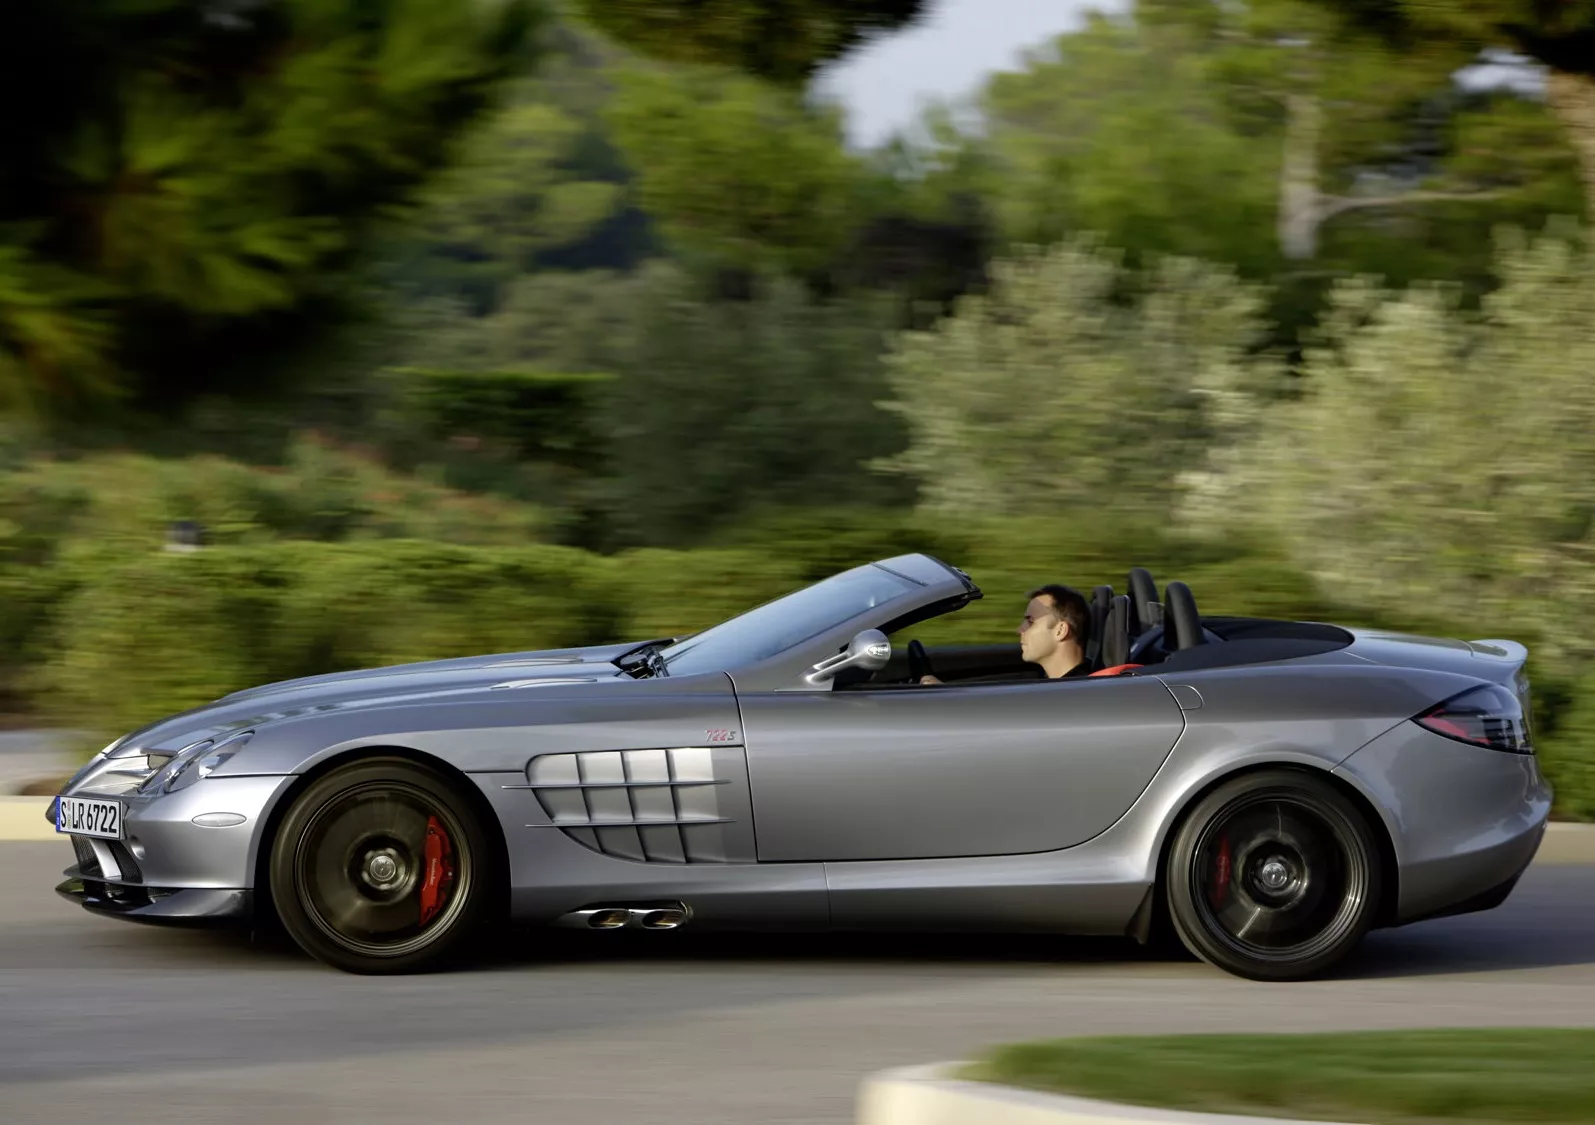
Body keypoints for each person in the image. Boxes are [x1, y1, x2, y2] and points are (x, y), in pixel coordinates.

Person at [919, 584, 1092, 685]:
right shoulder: (1053, 687)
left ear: (1060, 631)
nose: (1020, 630)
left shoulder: (1075, 697)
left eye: (1031, 621)